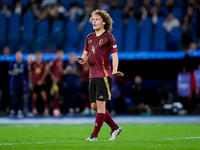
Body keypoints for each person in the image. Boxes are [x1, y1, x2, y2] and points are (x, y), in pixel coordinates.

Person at [76, 9, 124, 141]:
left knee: (101, 105)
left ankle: (94, 136)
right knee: (94, 107)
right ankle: (115, 128)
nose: (94, 21)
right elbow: (85, 56)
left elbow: (115, 56)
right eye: (93, 19)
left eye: (97, 19)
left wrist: (114, 70)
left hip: (103, 75)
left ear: (103, 22)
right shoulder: (89, 37)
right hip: (92, 76)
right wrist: (83, 59)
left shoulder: (109, 37)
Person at [29, 51, 49, 116]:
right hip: (34, 83)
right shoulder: (33, 64)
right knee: (34, 96)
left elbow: (46, 72)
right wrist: (31, 82)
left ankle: (46, 110)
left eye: (39, 55)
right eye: (37, 55)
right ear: (35, 56)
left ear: (41, 56)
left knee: (44, 95)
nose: (38, 56)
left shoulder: (44, 63)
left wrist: (42, 80)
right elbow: (30, 73)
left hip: (41, 83)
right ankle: (34, 110)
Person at [9, 51, 27, 118]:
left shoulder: (24, 64)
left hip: (21, 82)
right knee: (14, 96)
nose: (19, 57)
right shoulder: (13, 63)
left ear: (22, 56)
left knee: (20, 97)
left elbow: (26, 74)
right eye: (18, 55)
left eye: (20, 55)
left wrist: (25, 83)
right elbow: (8, 71)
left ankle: (20, 111)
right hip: (14, 82)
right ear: (16, 56)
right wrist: (13, 73)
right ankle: (12, 111)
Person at [47, 49, 64, 117]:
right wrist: (53, 77)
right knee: (55, 95)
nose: (60, 55)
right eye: (59, 54)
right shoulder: (54, 61)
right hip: (54, 82)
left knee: (58, 95)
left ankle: (56, 109)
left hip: (60, 81)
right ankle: (55, 110)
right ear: (57, 54)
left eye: (61, 54)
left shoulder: (62, 62)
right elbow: (47, 68)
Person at [0, 47, 11, 116]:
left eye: (7, 51)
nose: (6, 52)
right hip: (2, 80)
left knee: (8, 95)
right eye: (5, 51)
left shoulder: (11, 60)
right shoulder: (1, 60)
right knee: (5, 94)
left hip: (10, 80)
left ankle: (6, 109)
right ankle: (3, 109)